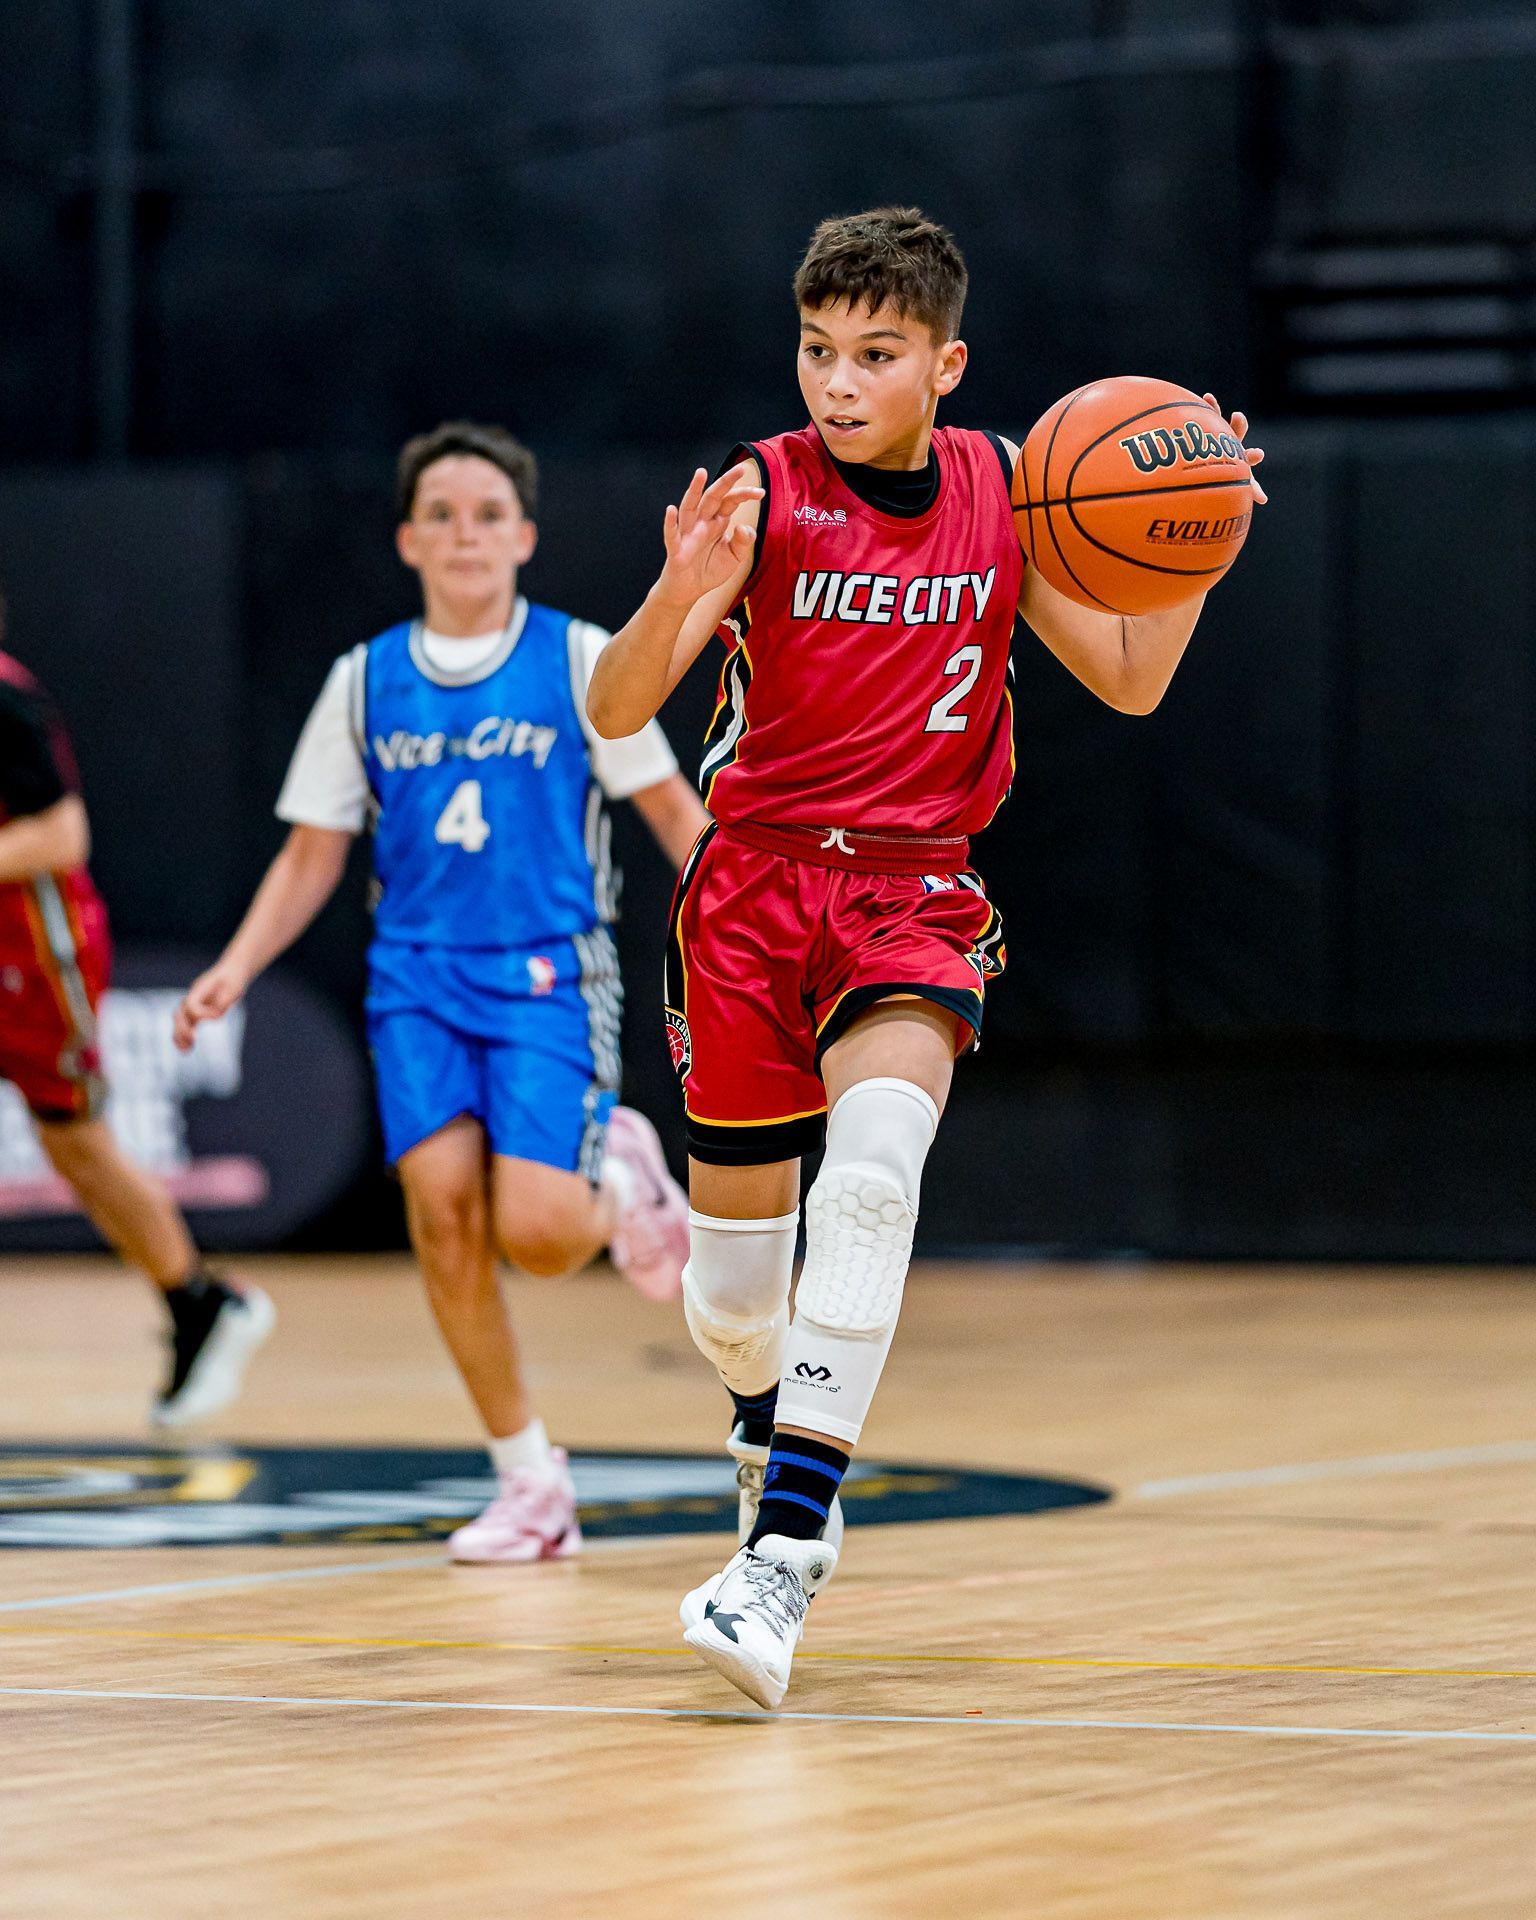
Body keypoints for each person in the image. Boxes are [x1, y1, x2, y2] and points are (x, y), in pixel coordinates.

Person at [588, 206, 1268, 1705]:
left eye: (876, 355)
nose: (838, 381)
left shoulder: (1011, 495)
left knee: (879, 1174)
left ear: (947, 365)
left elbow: (1137, 677)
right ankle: (767, 1416)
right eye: (819, 351)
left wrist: (1202, 531)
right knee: (731, 1298)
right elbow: (621, 708)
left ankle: (781, 1552)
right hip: (750, 900)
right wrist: (674, 585)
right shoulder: (761, 496)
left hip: (912, 894)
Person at [174, 421, 707, 1563]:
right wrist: (237, 965)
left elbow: (669, 811)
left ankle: (617, 1178)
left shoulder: (576, 658)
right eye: (444, 516)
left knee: (543, 1235)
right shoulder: (364, 680)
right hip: (414, 982)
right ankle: (528, 1480)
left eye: (487, 515)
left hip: (547, 974)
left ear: (522, 535)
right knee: (445, 1220)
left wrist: (744, 927)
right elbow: (315, 850)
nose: (466, 534)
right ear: (409, 538)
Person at [0, 612, 274, 1424]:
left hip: (33, 953)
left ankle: (199, 1301)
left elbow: (61, 834)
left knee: (76, 1145)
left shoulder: (9, 702)